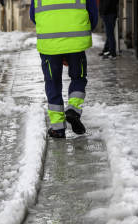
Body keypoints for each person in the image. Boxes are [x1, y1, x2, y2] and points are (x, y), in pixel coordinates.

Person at [30, 0, 98, 139]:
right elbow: (93, 13)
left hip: (49, 43)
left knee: (52, 82)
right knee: (78, 77)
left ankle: (58, 128)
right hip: (76, 40)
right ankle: (73, 109)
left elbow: (33, 15)